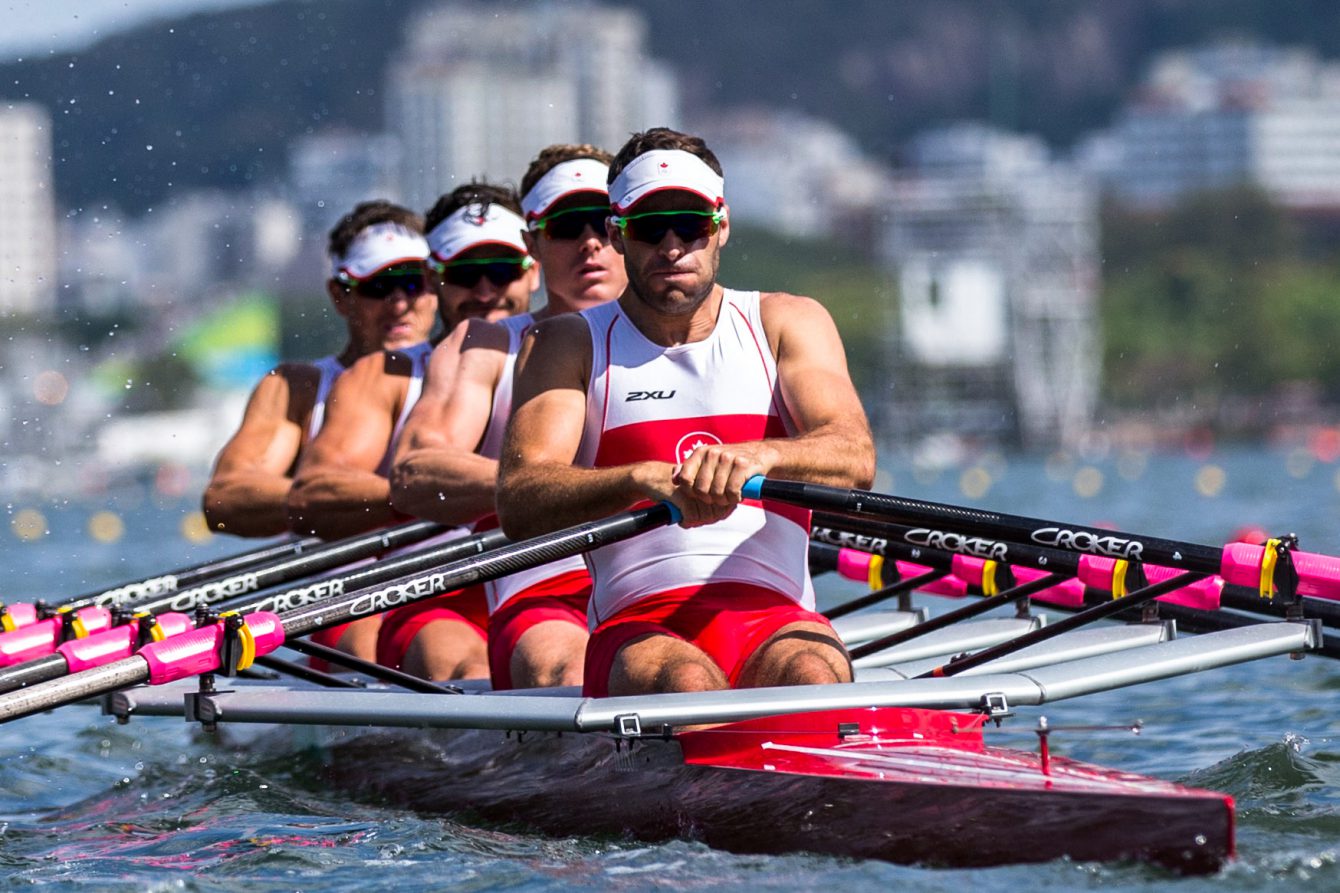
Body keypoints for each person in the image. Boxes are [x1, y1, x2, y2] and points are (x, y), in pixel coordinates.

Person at [495, 128, 876, 698]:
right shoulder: (567, 344)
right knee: (687, 683)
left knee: (812, 673)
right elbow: (520, 500)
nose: (672, 247)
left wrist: (760, 456)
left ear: (721, 225)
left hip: (774, 618)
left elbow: (854, 457)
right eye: (650, 227)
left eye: (691, 224)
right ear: (615, 235)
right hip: (638, 628)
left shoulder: (787, 322)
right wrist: (638, 480)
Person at [389, 144, 626, 688]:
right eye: (569, 226)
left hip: (688, 583)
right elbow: (413, 474)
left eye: (603, 223)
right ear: (535, 245)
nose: (591, 242)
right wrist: (567, 486)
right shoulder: (489, 347)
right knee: (575, 669)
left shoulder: (714, 330)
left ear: (626, 228)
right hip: (547, 595)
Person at [285, 181, 538, 667]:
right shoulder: (389, 372)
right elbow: (310, 497)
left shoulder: (595, 352)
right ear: (435, 278)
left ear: (532, 270)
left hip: (560, 581)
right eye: (466, 274)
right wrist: (445, 490)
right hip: (431, 590)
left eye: (501, 271)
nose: (485, 291)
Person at [201, 200, 438, 538]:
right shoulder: (297, 389)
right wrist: (346, 498)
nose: (399, 304)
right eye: (378, 286)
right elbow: (222, 507)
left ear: (435, 288)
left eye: (413, 282)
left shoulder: (473, 369)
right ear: (340, 296)